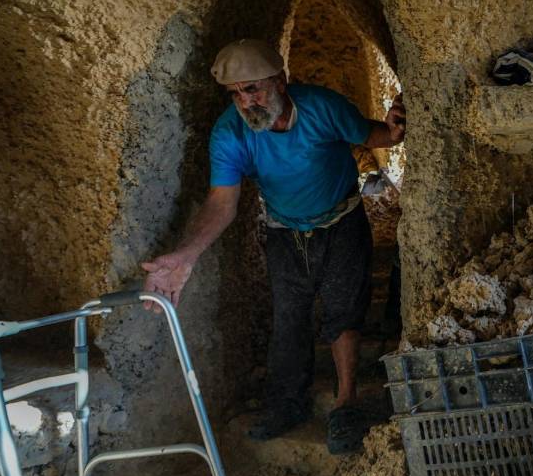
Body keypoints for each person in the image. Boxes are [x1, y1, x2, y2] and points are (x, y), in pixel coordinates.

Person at [141, 39, 405, 453]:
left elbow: (372, 134)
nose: (246, 102)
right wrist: (186, 255)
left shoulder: (323, 107)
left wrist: (393, 130)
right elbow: (221, 202)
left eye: (253, 89)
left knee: (344, 310)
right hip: (283, 230)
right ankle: (287, 405)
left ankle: (346, 402)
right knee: (289, 316)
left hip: (342, 221)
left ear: (281, 82)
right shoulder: (229, 132)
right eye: (236, 93)